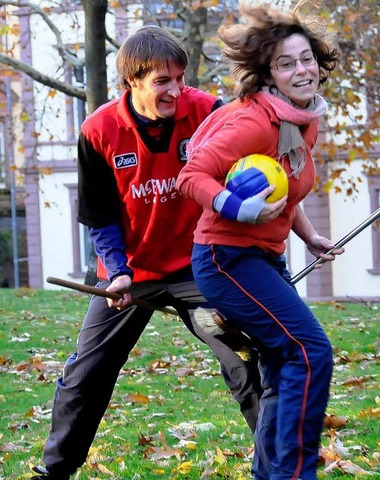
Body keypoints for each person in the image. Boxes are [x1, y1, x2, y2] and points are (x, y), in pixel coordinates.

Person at [31, 26, 263, 480]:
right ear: (132, 82)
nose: (176, 89)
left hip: (200, 266)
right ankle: (54, 470)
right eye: (163, 81)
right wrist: (116, 272)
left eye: (180, 77)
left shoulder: (208, 112)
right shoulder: (98, 130)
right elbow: (101, 217)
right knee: (85, 374)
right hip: (130, 273)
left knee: (244, 359)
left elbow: (241, 178)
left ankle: (278, 461)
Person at [176, 2, 343, 479]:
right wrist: (239, 206)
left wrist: (308, 235)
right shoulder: (253, 121)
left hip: (265, 258)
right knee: (309, 351)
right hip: (225, 257)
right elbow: (192, 177)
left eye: (306, 58)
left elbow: (284, 189)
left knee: (279, 368)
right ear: (268, 74)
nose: (302, 70)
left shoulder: (299, 118)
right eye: (287, 63)